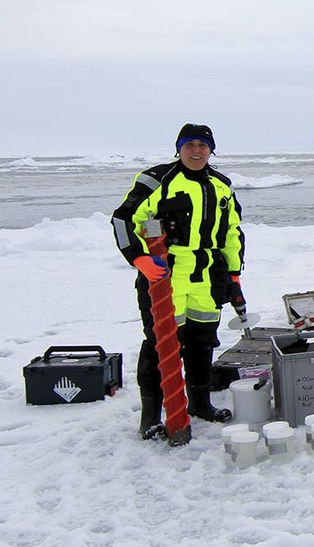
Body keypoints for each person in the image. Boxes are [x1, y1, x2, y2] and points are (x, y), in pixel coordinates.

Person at [111, 123, 246, 439]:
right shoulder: (157, 180)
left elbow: (232, 232)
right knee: (160, 344)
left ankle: (200, 403)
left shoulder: (221, 186)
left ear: (211, 150)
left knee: (202, 340)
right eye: (190, 145)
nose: (196, 151)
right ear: (179, 148)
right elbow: (123, 219)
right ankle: (150, 416)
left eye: (203, 145)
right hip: (165, 276)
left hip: (207, 276)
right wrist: (139, 258)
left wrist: (234, 273)